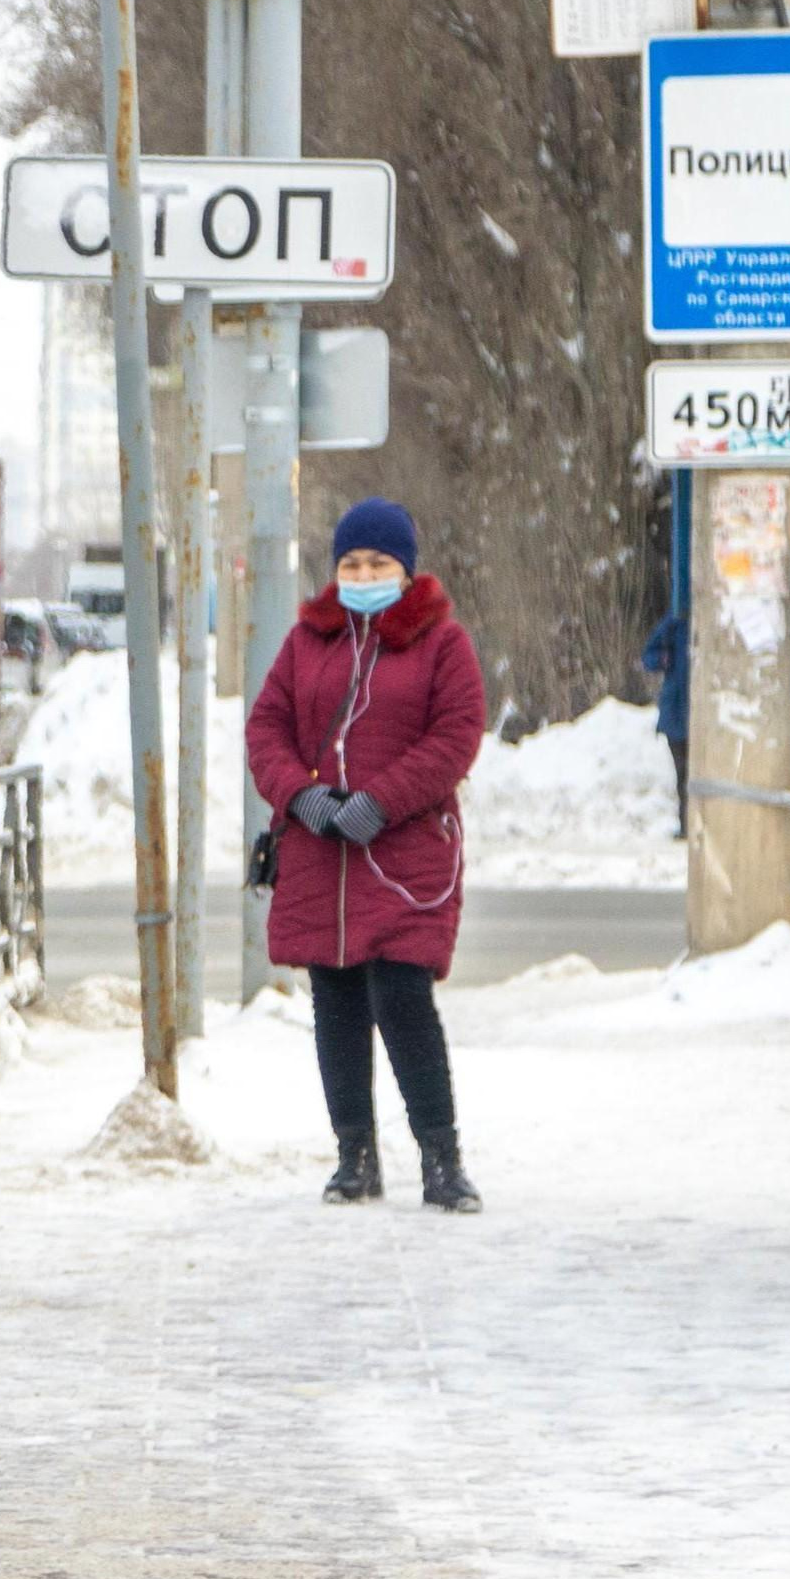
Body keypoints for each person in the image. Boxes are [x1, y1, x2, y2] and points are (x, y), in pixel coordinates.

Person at [247, 498, 489, 1210]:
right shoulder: (306, 641)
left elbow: (456, 735)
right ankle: (354, 1155)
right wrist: (301, 796)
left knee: (403, 997)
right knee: (337, 1001)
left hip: (407, 852)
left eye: (378, 563)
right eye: (351, 563)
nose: (363, 574)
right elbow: (266, 729)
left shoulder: (443, 643)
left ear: (406, 570)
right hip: (321, 853)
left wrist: (380, 801)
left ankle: (441, 1159)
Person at [642, 598, 692, 832]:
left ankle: (697, 824)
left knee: (694, 772)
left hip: (690, 715)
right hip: (677, 714)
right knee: (683, 773)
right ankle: (686, 825)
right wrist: (663, 659)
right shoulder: (676, 621)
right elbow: (649, 656)